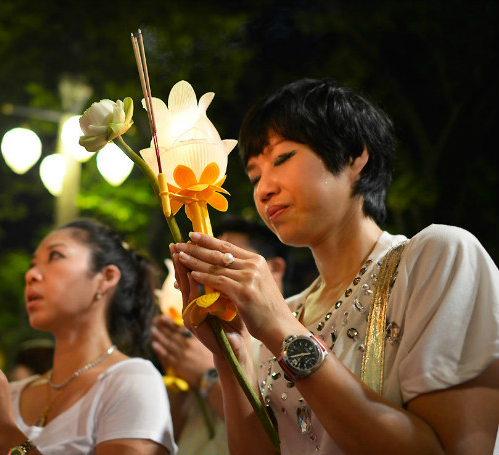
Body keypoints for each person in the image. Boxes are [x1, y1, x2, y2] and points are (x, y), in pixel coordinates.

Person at [170, 78, 499, 454]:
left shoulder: (437, 258)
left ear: (354, 156)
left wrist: (281, 330)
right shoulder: (287, 310)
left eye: (282, 158)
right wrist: (234, 353)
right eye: (255, 176)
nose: (264, 189)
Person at [0, 218, 176, 455]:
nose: (32, 275)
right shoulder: (10, 395)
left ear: (106, 278)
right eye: (32, 265)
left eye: (55, 256)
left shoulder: (131, 380)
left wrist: (1, 431)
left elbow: (3, 438)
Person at [152, 218, 289, 455]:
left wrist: (208, 375)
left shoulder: (290, 332)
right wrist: (177, 375)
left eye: (226, 258)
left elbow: (288, 438)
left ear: (274, 268)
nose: (209, 268)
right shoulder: (205, 328)